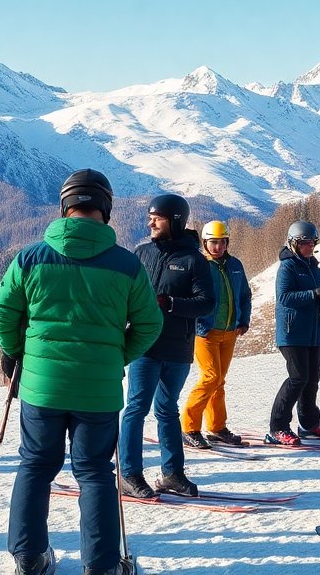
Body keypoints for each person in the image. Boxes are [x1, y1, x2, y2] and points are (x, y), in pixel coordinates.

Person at [0, 168, 162, 575]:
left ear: (64, 206)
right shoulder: (127, 265)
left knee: (35, 466)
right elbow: (150, 324)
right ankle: (102, 566)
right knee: (95, 473)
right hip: (98, 392)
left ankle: (30, 559)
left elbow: (2, 312)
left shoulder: (31, 258)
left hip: (42, 388)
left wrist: (17, 353)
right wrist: (116, 357)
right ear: (106, 207)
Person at [119, 194, 214, 499]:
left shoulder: (194, 260)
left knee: (167, 409)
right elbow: (125, 295)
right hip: (145, 346)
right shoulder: (141, 253)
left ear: (174, 221)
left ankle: (172, 473)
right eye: (150, 218)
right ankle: (129, 474)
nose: (150, 223)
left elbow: (206, 303)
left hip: (178, 349)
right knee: (136, 408)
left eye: (156, 218)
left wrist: (171, 303)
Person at [267, 220, 320, 446]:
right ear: (293, 244)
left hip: (312, 333)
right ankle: (277, 427)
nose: (309, 247)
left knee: (312, 379)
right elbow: (284, 297)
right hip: (291, 332)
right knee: (298, 378)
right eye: (304, 243)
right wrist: (313, 294)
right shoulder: (287, 267)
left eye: (312, 243)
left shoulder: (316, 270)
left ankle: (309, 424)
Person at [181, 220, 252, 449]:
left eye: (222, 242)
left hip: (229, 331)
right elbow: (191, 295)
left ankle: (217, 427)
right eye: (213, 242)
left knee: (219, 381)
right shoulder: (200, 264)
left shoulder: (235, 265)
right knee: (210, 377)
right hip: (205, 332)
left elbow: (244, 295)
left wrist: (243, 320)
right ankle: (189, 427)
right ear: (204, 243)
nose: (218, 247)